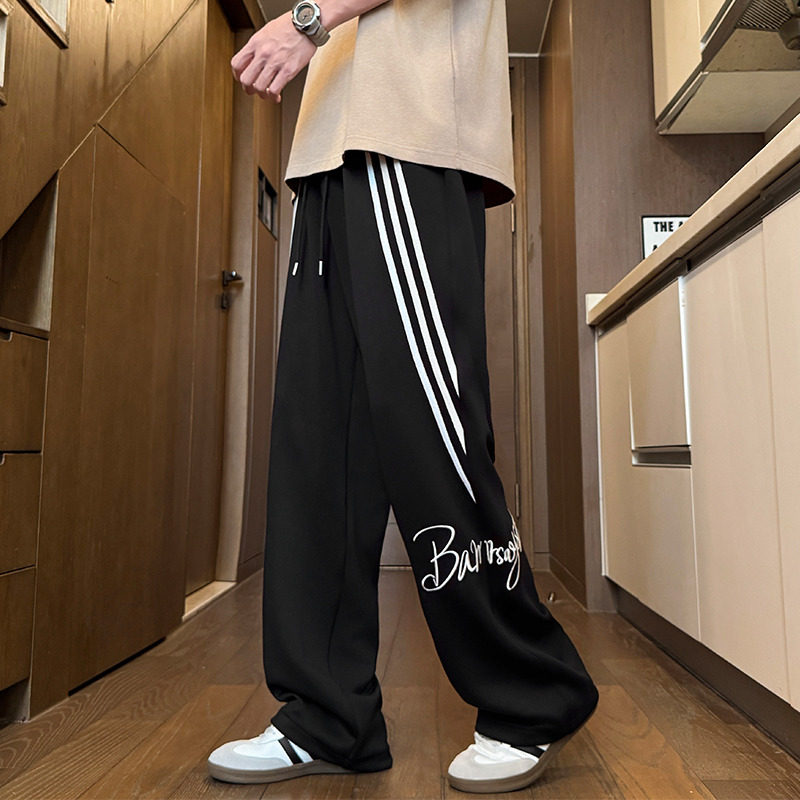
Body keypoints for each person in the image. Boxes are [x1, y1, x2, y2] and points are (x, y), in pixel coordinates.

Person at [207, 0, 600, 793]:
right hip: (328, 154)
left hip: (402, 133)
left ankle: (530, 692)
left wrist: (308, 21)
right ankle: (326, 714)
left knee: (431, 428)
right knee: (319, 444)